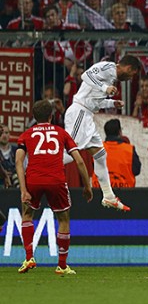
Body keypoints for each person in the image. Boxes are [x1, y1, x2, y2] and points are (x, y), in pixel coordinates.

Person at [15, 99, 93, 275]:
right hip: (56, 180)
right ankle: (62, 265)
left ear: (34, 117)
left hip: (33, 180)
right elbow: (79, 161)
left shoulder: (26, 135)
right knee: (63, 220)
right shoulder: (61, 133)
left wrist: (23, 189)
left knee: (27, 215)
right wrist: (87, 186)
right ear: (51, 116)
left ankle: (29, 258)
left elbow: (19, 161)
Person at [63, 54, 143, 211]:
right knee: (69, 153)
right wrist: (104, 88)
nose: (130, 79)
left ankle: (108, 196)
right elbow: (85, 75)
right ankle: (37, 168)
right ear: (128, 68)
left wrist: (112, 103)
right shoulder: (107, 67)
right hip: (79, 112)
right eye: (132, 75)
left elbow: (95, 100)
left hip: (87, 115)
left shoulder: (111, 78)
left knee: (100, 155)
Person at [91, 119, 141, 189]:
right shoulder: (129, 149)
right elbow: (137, 171)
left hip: (100, 192)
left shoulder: (97, 148)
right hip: (125, 194)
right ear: (120, 132)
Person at [0, 123, 17, 189]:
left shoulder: (17, 151)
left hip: (16, 186)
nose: (4, 135)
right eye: (2, 133)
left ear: (9, 134)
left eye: (6, 133)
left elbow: (25, 169)